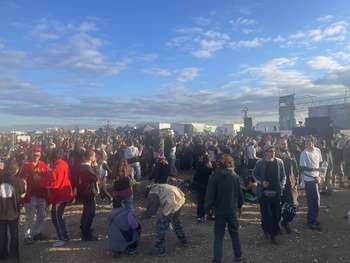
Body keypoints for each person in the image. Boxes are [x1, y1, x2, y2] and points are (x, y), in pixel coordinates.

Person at [204, 153, 244, 263]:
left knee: (218, 236)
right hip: (232, 210)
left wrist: (206, 211)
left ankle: (217, 259)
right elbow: (240, 193)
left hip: (219, 211)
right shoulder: (234, 176)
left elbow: (209, 195)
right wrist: (240, 206)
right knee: (234, 234)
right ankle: (238, 255)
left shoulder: (214, 177)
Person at [35, 148, 73, 247]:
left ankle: (63, 238)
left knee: (56, 217)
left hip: (59, 195)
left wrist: (40, 180)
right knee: (59, 216)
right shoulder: (63, 163)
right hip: (63, 193)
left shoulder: (58, 165)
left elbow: (54, 182)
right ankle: (62, 234)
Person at [138, 182, 188, 257]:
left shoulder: (152, 194)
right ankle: (184, 240)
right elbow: (151, 206)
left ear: (145, 191)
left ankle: (160, 250)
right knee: (176, 220)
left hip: (172, 202)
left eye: (142, 194)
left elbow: (152, 212)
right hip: (181, 197)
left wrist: (140, 215)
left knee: (161, 225)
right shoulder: (156, 186)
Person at [253, 145, 286, 244]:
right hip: (264, 192)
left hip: (276, 191)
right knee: (266, 213)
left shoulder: (279, 162)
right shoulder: (260, 162)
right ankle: (268, 231)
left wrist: (281, 187)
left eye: (274, 151)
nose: (273, 153)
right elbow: (255, 174)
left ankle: (274, 231)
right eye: (270, 151)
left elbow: (283, 176)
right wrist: (261, 182)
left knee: (276, 213)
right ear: (265, 153)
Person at [18, 146, 49, 245]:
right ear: (31, 154)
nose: (36, 157)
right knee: (30, 216)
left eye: (38, 155)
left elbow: (47, 176)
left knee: (42, 215)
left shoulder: (43, 165)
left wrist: (41, 178)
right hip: (30, 195)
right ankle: (27, 236)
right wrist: (30, 178)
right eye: (34, 155)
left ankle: (36, 232)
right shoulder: (26, 166)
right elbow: (20, 179)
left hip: (41, 194)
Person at [0, 159, 26, 261]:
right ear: (15, 170)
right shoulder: (18, 181)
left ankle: (2, 255)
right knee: (14, 234)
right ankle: (14, 255)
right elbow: (22, 194)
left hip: (1, 211)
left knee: (2, 234)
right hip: (13, 212)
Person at [299, 135, 324, 230]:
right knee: (312, 200)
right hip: (309, 179)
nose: (308, 143)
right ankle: (311, 220)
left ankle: (314, 217)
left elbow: (320, 162)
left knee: (317, 200)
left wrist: (321, 174)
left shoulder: (317, 150)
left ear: (314, 141)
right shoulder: (304, 153)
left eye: (309, 141)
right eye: (306, 141)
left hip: (316, 178)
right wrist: (316, 169)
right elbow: (302, 167)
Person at [276, 138, 299, 234]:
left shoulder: (291, 156)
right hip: (278, 187)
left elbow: (296, 170)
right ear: (278, 145)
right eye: (282, 144)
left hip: (291, 186)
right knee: (277, 207)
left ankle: (285, 222)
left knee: (294, 206)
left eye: (285, 144)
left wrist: (296, 181)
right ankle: (275, 226)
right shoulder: (274, 157)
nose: (284, 145)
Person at [76, 150, 100, 241]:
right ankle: (86, 233)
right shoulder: (87, 168)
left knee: (86, 210)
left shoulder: (82, 166)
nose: (95, 158)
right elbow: (96, 178)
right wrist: (96, 167)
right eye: (94, 156)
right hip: (88, 192)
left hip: (85, 191)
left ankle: (84, 228)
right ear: (90, 157)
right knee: (90, 212)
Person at [193, 153, 213, 223]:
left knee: (200, 201)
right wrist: (210, 167)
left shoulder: (199, 167)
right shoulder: (208, 169)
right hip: (206, 186)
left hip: (199, 185)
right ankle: (206, 214)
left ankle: (199, 216)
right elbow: (211, 174)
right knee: (206, 201)